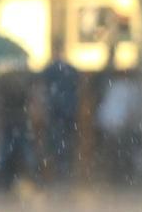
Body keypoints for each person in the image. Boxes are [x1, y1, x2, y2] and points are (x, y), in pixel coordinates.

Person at [42, 37, 79, 182]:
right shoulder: (68, 69)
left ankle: (59, 168)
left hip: (57, 109)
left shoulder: (52, 69)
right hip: (67, 109)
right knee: (66, 139)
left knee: (56, 139)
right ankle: (64, 167)